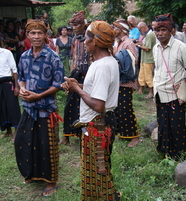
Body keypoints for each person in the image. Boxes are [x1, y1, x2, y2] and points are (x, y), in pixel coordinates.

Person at [61, 20, 121, 201]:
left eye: (86, 39)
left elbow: (98, 105)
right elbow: (95, 90)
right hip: (99, 124)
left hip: (98, 126)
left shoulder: (102, 66)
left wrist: (78, 90)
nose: (83, 42)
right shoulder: (104, 62)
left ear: (95, 41)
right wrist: (75, 85)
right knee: (98, 169)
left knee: (98, 172)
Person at [14, 19, 64, 196]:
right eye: (32, 33)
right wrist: (22, 88)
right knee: (27, 142)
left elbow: (59, 84)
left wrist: (39, 95)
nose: (36, 36)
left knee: (47, 146)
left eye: (39, 33)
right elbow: (20, 76)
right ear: (27, 35)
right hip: (28, 108)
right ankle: (33, 174)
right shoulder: (24, 56)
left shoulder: (53, 57)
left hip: (46, 109)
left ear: (45, 35)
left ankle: (51, 181)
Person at [152, 16, 186, 161]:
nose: (160, 34)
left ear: (171, 30)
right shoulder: (155, 48)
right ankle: (164, 151)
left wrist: (181, 82)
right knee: (163, 123)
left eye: (163, 30)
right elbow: (157, 69)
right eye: (157, 30)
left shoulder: (181, 47)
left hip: (175, 94)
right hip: (160, 92)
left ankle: (178, 155)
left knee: (176, 125)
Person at [60, 11, 91, 145]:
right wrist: (73, 71)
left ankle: (84, 134)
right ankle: (66, 135)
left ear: (83, 24)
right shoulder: (75, 39)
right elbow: (74, 57)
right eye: (72, 25)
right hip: (76, 74)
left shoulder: (90, 37)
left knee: (85, 106)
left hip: (88, 74)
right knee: (69, 105)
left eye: (77, 24)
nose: (74, 27)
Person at [113, 19, 141, 147]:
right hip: (119, 81)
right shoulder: (119, 43)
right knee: (119, 108)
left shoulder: (128, 43)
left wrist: (120, 64)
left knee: (126, 109)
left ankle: (134, 136)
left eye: (115, 27)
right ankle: (124, 133)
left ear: (121, 29)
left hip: (126, 81)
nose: (113, 29)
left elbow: (134, 60)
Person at [136, 22, 156, 99]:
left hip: (149, 59)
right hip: (144, 59)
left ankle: (151, 92)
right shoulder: (146, 35)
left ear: (143, 28)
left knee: (148, 76)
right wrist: (140, 43)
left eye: (139, 29)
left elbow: (147, 48)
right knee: (141, 75)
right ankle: (141, 90)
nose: (139, 31)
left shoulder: (150, 35)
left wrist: (138, 45)